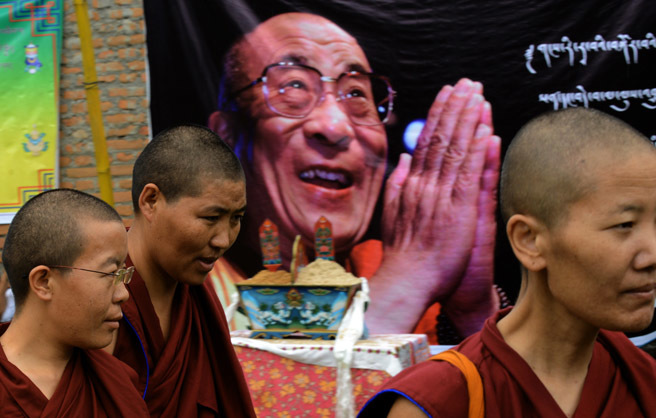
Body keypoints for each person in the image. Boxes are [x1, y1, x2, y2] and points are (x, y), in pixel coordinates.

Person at [358, 107, 656, 417]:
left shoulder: (641, 377)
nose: (654, 256)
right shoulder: (444, 398)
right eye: (624, 225)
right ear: (530, 241)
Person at [208, 12, 501, 343]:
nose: (335, 127)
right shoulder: (184, 286)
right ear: (227, 137)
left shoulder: (378, 264)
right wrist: (405, 282)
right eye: (293, 86)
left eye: (357, 94)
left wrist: (473, 313)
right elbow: (281, 392)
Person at [106, 124, 255, 417]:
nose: (223, 240)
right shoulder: (97, 289)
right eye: (211, 217)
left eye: (236, 218)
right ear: (151, 201)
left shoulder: (199, 299)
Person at [0, 189, 149, 416]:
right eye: (110, 274)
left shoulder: (116, 383)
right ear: (44, 282)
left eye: (123, 274)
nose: (123, 294)